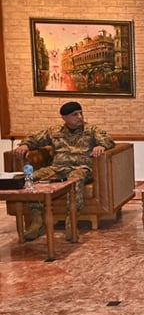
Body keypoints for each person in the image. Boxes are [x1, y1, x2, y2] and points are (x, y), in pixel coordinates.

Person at [14, 101, 115, 241]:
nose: (80, 117)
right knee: (31, 177)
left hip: (81, 168)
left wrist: (101, 146)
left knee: (75, 179)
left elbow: (108, 140)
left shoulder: (91, 130)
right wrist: (25, 145)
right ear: (64, 117)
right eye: (75, 115)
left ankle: (71, 221)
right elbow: (34, 138)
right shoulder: (55, 131)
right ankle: (37, 221)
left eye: (81, 113)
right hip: (58, 167)